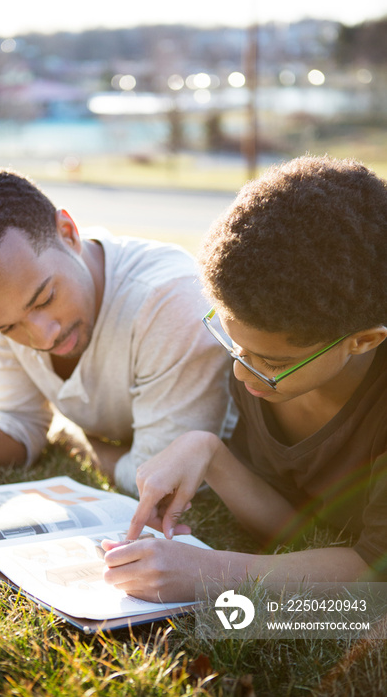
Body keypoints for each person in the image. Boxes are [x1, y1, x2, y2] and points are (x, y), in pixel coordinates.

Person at [102, 155, 387, 602]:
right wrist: (210, 452)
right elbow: (300, 529)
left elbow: (374, 568)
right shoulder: (259, 364)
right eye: (234, 345)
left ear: (363, 341)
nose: (240, 370)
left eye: (271, 361)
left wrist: (215, 572)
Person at [0, 167, 233, 495]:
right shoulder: (10, 297)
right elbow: (17, 424)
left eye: (45, 299)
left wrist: (73, 436)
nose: (42, 337)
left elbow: (163, 481)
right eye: (7, 327)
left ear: (68, 233)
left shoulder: (168, 301)